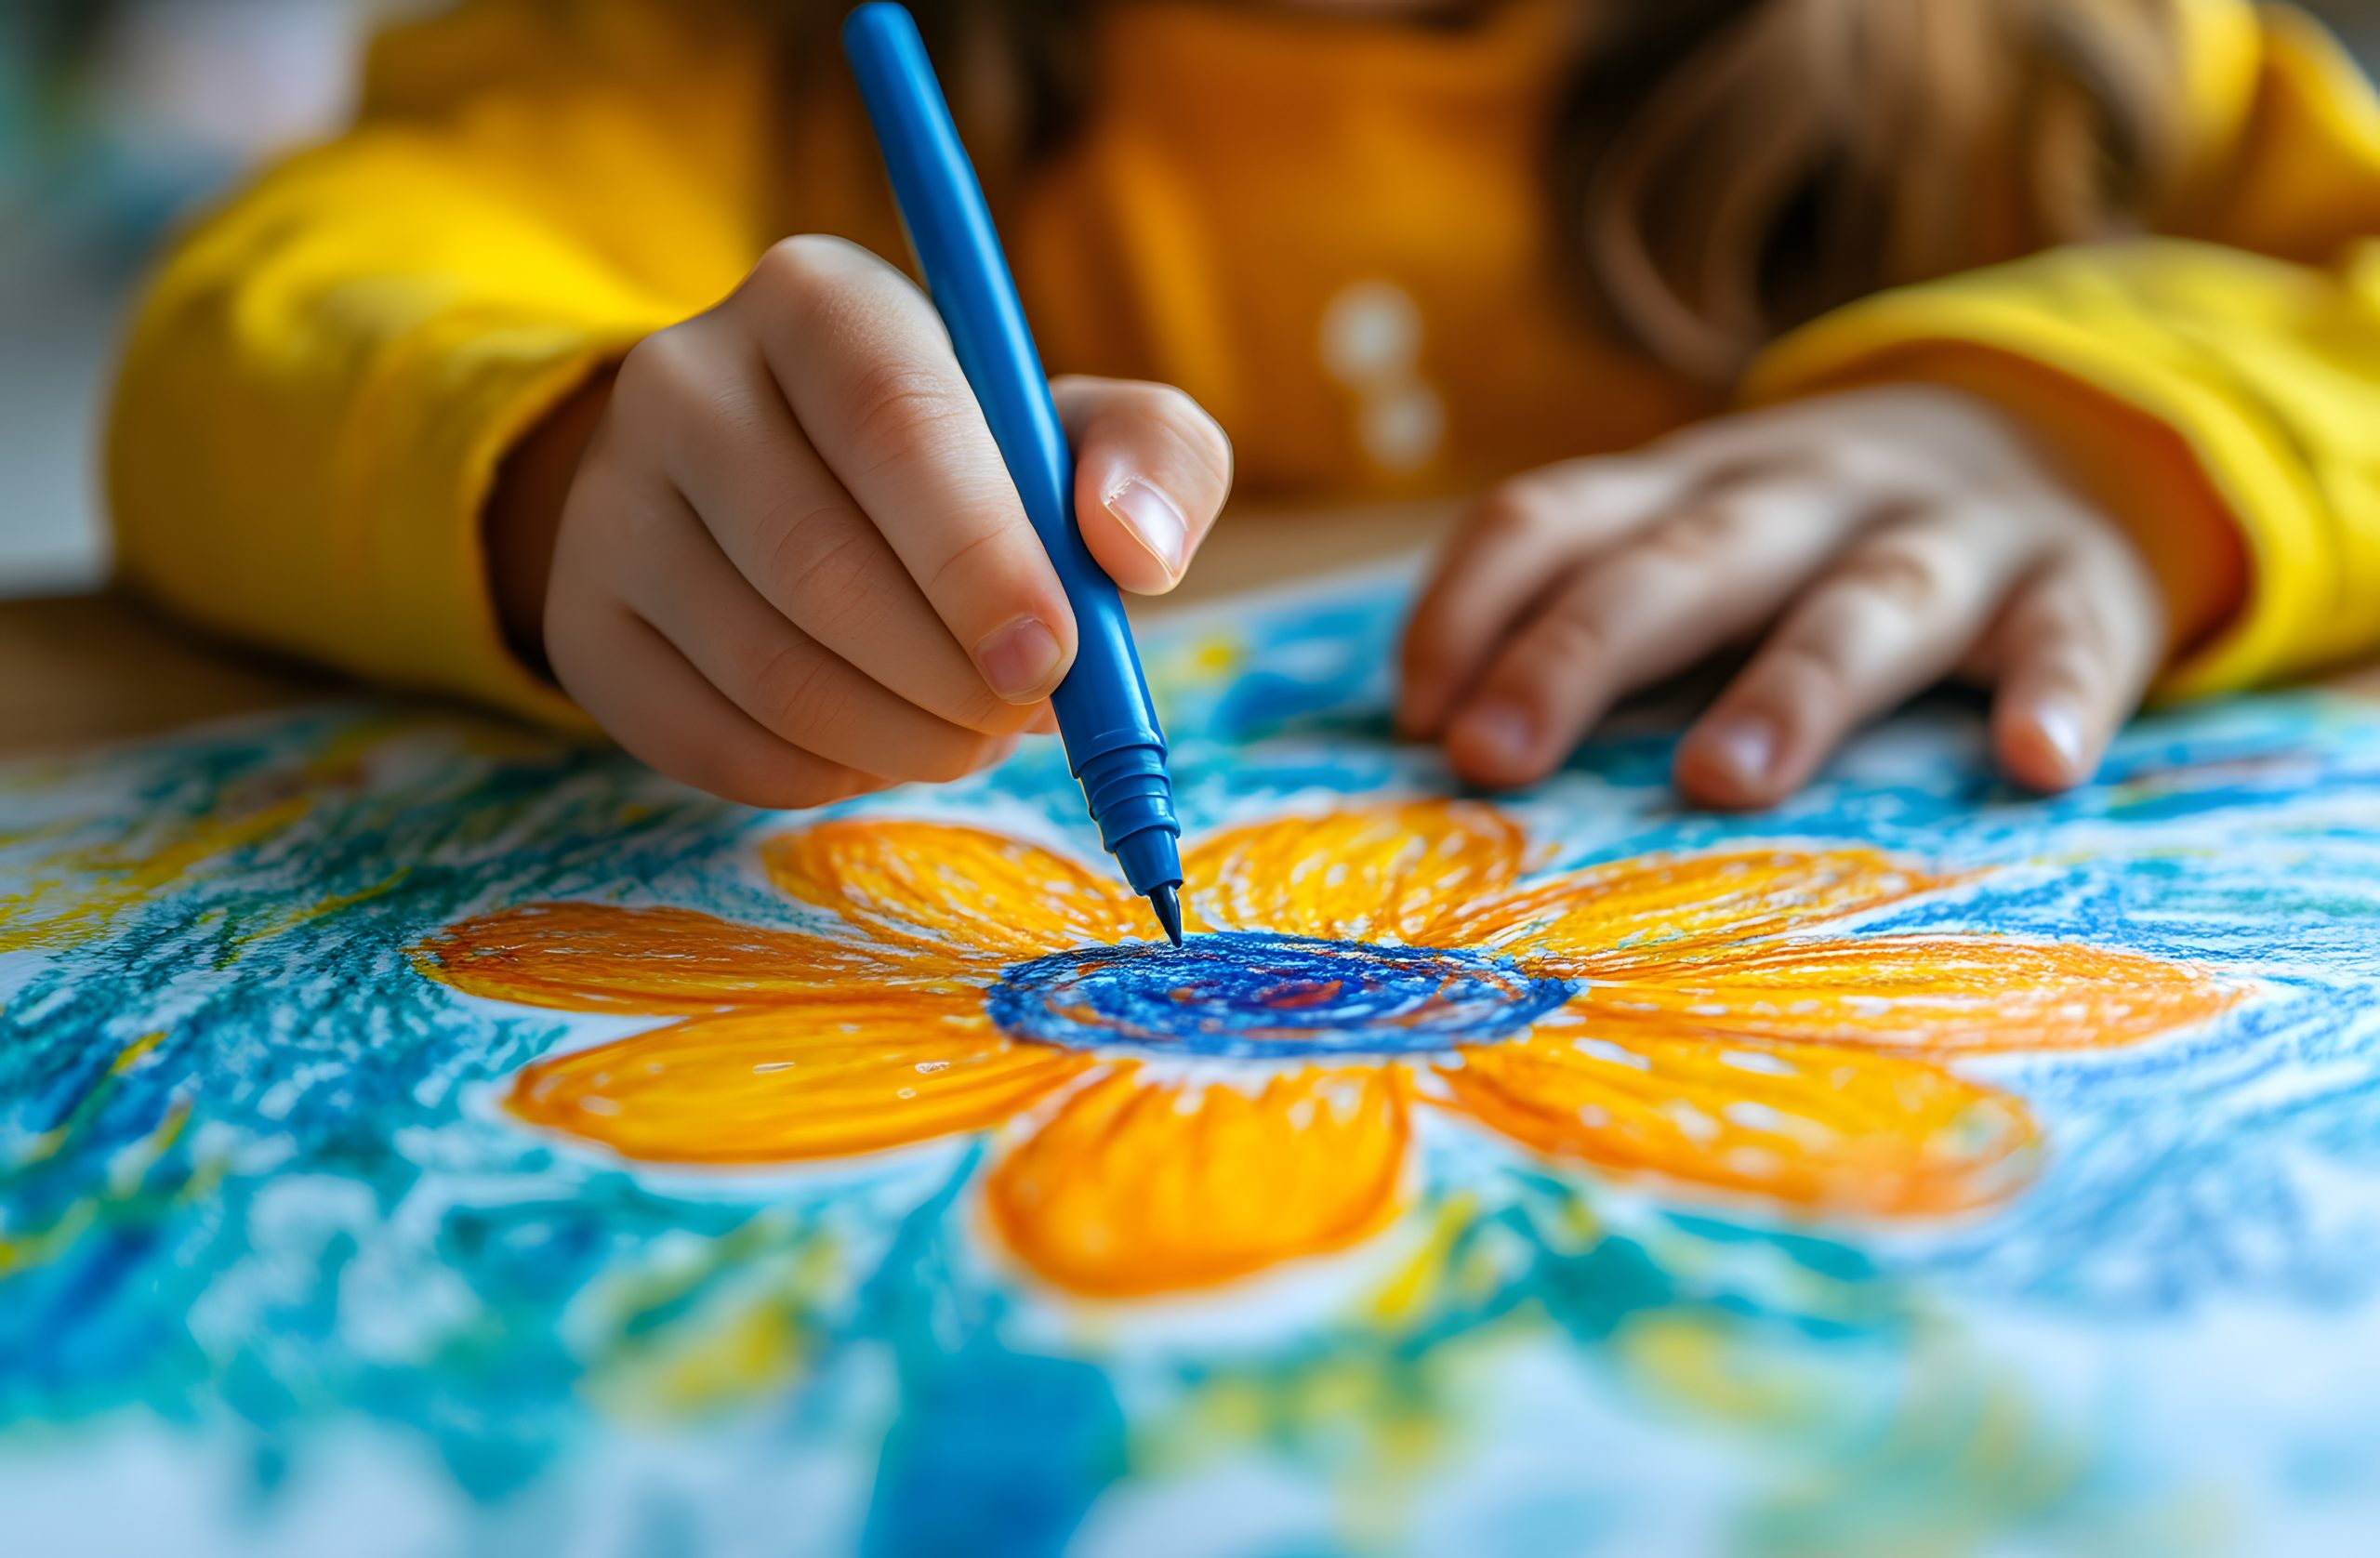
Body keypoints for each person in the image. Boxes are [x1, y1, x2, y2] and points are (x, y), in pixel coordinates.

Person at [107, 0, 2380, 811]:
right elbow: (251, 329)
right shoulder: (719, 57)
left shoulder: (2058, 59)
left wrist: (2098, 437)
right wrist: (565, 471)